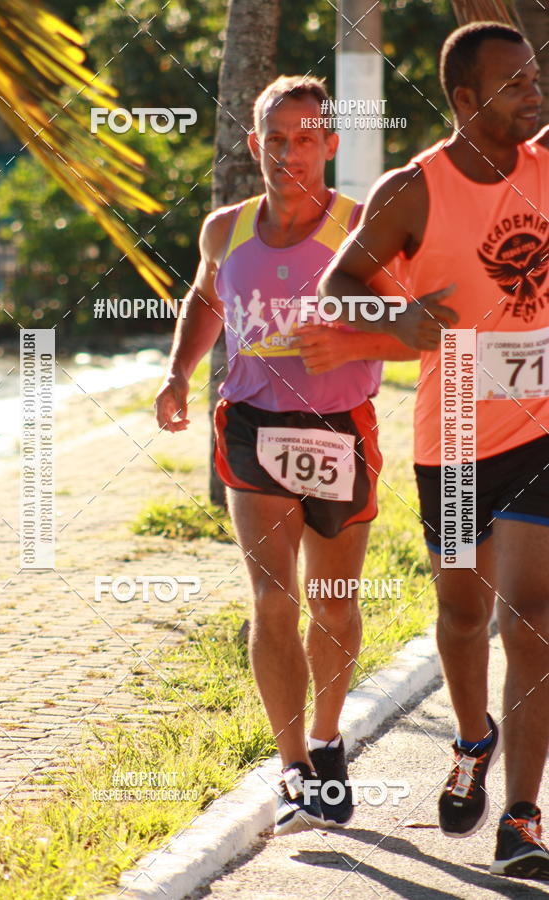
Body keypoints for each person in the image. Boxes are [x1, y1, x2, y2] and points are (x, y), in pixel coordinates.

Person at [155, 74, 418, 836]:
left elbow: (420, 328)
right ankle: (294, 766)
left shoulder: (362, 228)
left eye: (307, 139)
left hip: (339, 428)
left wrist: (348, 342)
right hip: (252, 429)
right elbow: (206, 299)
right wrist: (177, 372)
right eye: (277, 139)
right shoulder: (224, 229)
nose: (290, 153)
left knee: (333, 600)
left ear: (330, 145)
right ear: (255, 144)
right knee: (273, 599)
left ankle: (330, 742)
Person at [317, 21, 549, 879]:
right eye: (516, 83)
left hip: (542, 427)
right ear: (463, 99)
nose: (534, 94)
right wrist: (399, 318)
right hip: (451, 436)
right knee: (462, 614)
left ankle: (522, 820)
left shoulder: (544, 162)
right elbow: (336, 288)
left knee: (533, 618)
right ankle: (471, 739)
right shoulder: (413, 191)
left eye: (536, 78)